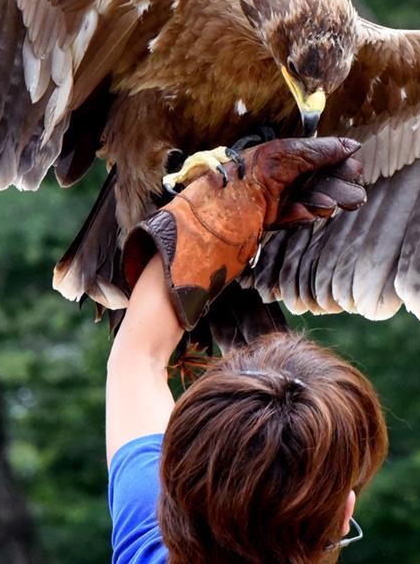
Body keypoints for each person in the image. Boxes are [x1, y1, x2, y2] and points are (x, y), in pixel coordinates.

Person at [105, 137, 388, 563]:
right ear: (344, 515)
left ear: (171, 490)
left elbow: (137, 358)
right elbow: (135, 360)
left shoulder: (148, 544)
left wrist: (225, 209)